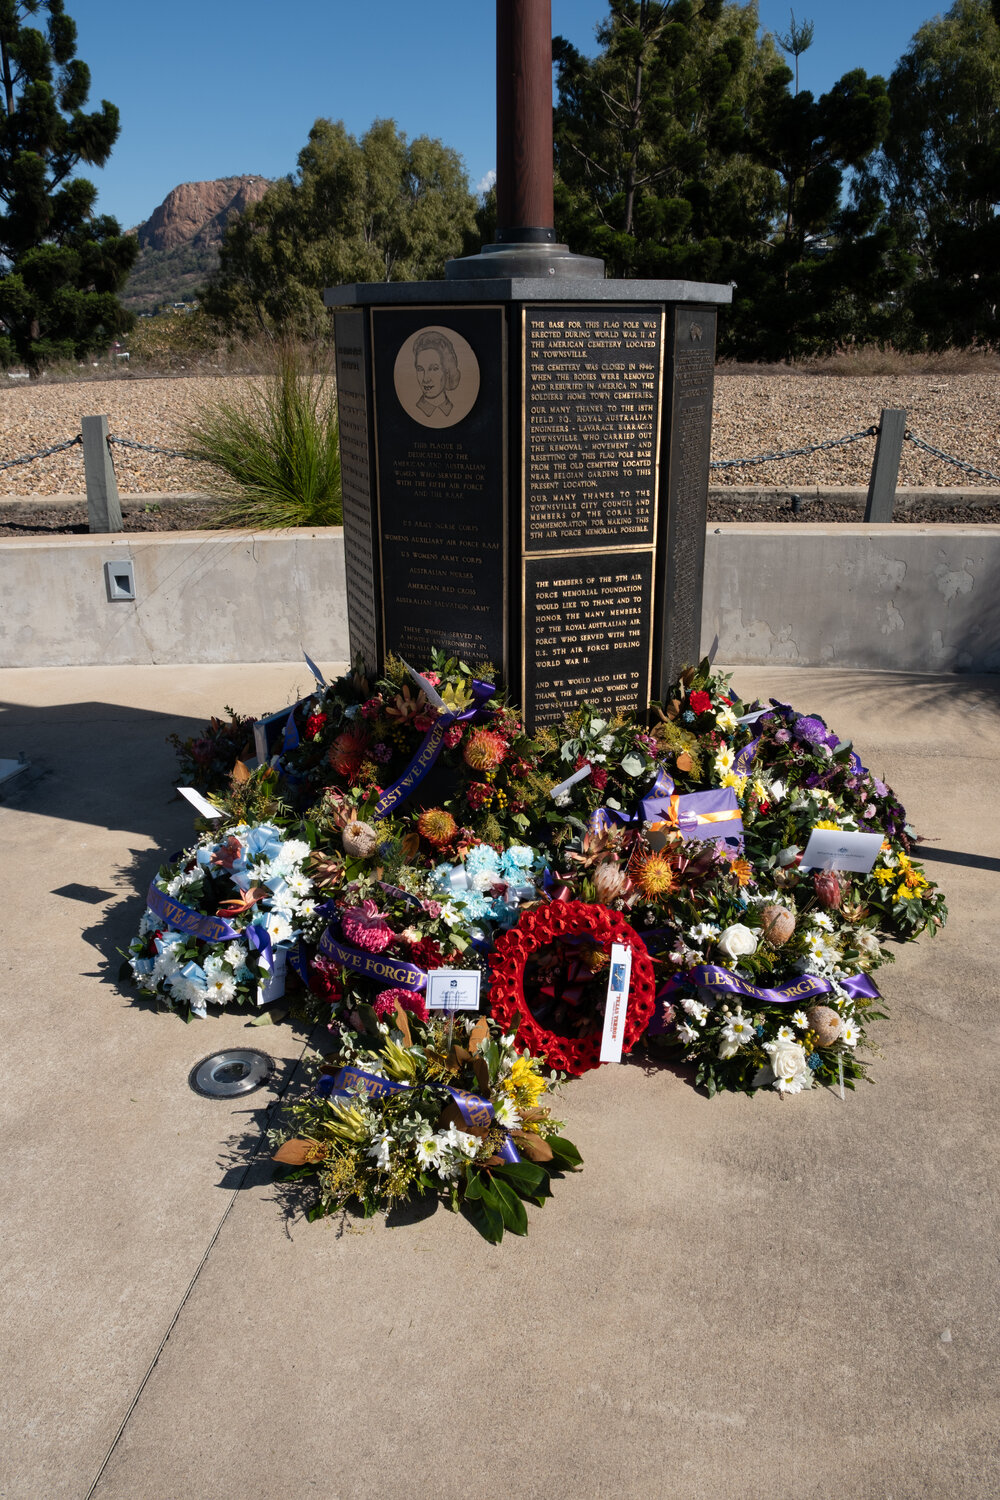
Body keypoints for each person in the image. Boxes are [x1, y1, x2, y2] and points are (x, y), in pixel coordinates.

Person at [413, 329, 460, 420]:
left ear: (447, 371)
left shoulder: (455, 409)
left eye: (434, 369)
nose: (425, 379)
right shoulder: (414, 410)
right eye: (420, 369)